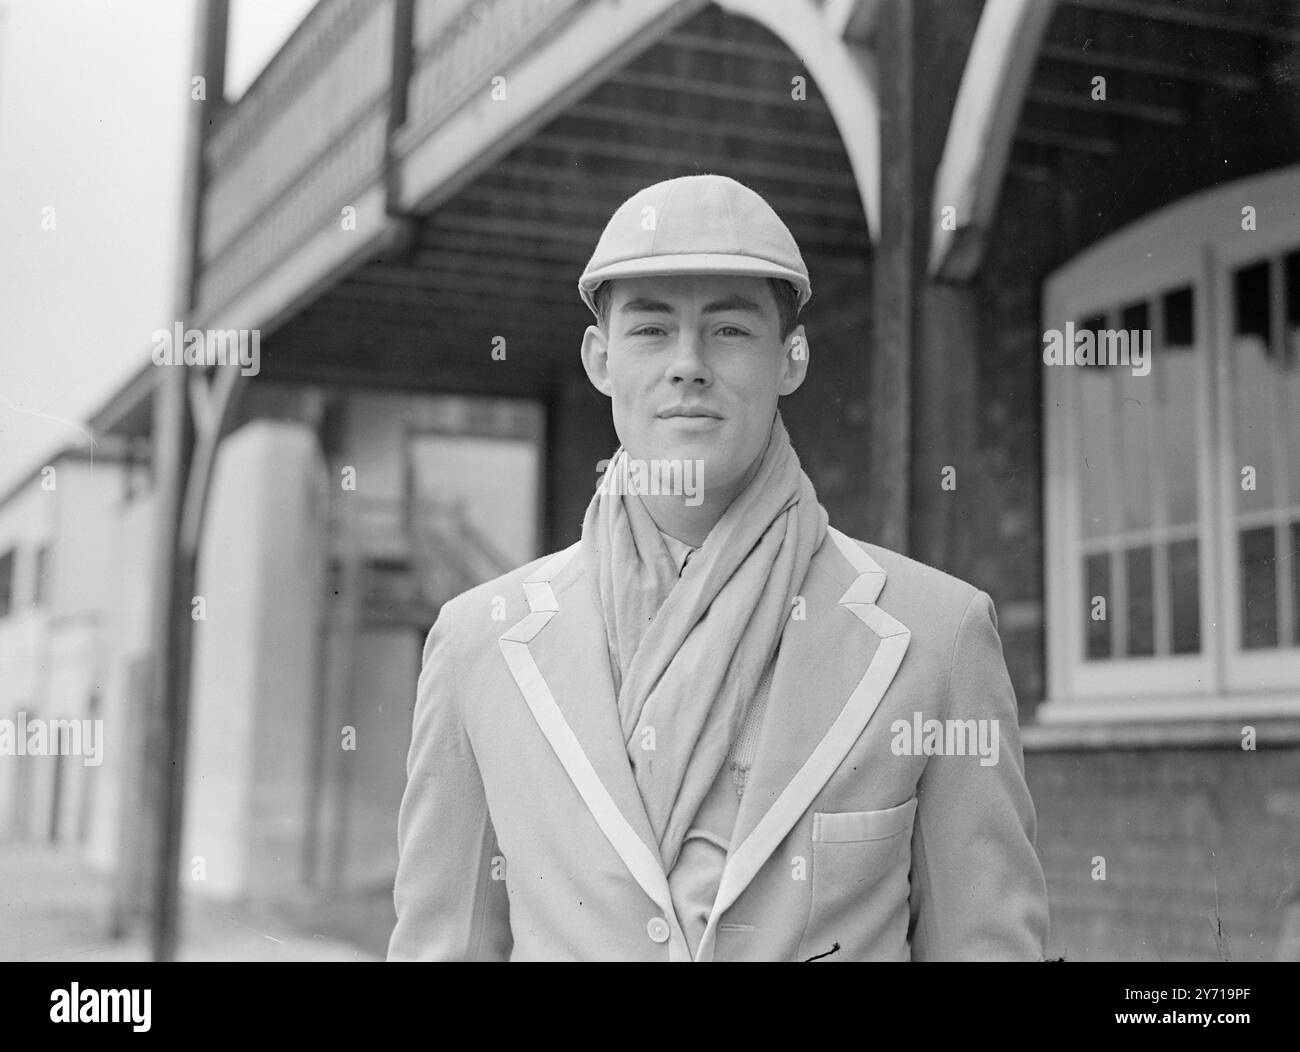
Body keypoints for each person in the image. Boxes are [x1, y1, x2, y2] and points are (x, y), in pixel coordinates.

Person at [388, 174, 1049, 961]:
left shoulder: (936, 638)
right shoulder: (476, 646)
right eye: (651, 330)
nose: (688, 365)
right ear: (600, 360)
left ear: (790, 359)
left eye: (730, 330)